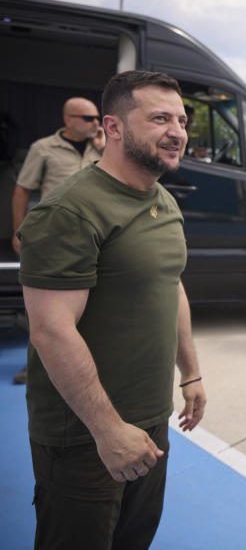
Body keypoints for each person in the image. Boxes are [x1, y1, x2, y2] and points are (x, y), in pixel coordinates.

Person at [17, 70, 206, 549]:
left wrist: (191, 373)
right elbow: (51, 331)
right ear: (114, 128)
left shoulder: (164, 199)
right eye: (160, 118)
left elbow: (171, 285)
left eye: (181, 120)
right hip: (85, 437)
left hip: (149, 423)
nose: (177, 132)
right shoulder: (70, 211)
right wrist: (107, 431)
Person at [10, 96, 105, 385]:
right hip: (53, 237)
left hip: (93, 236)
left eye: (97, 117)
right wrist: (18, 230)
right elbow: (22, 190)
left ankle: (82, 366)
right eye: (88, 118)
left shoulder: (104, 149)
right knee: (44, 309)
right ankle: (36, 367)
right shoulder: (43, 149)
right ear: (68, 120)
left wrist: (103, 149)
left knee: (91, 304)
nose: (96, 123)